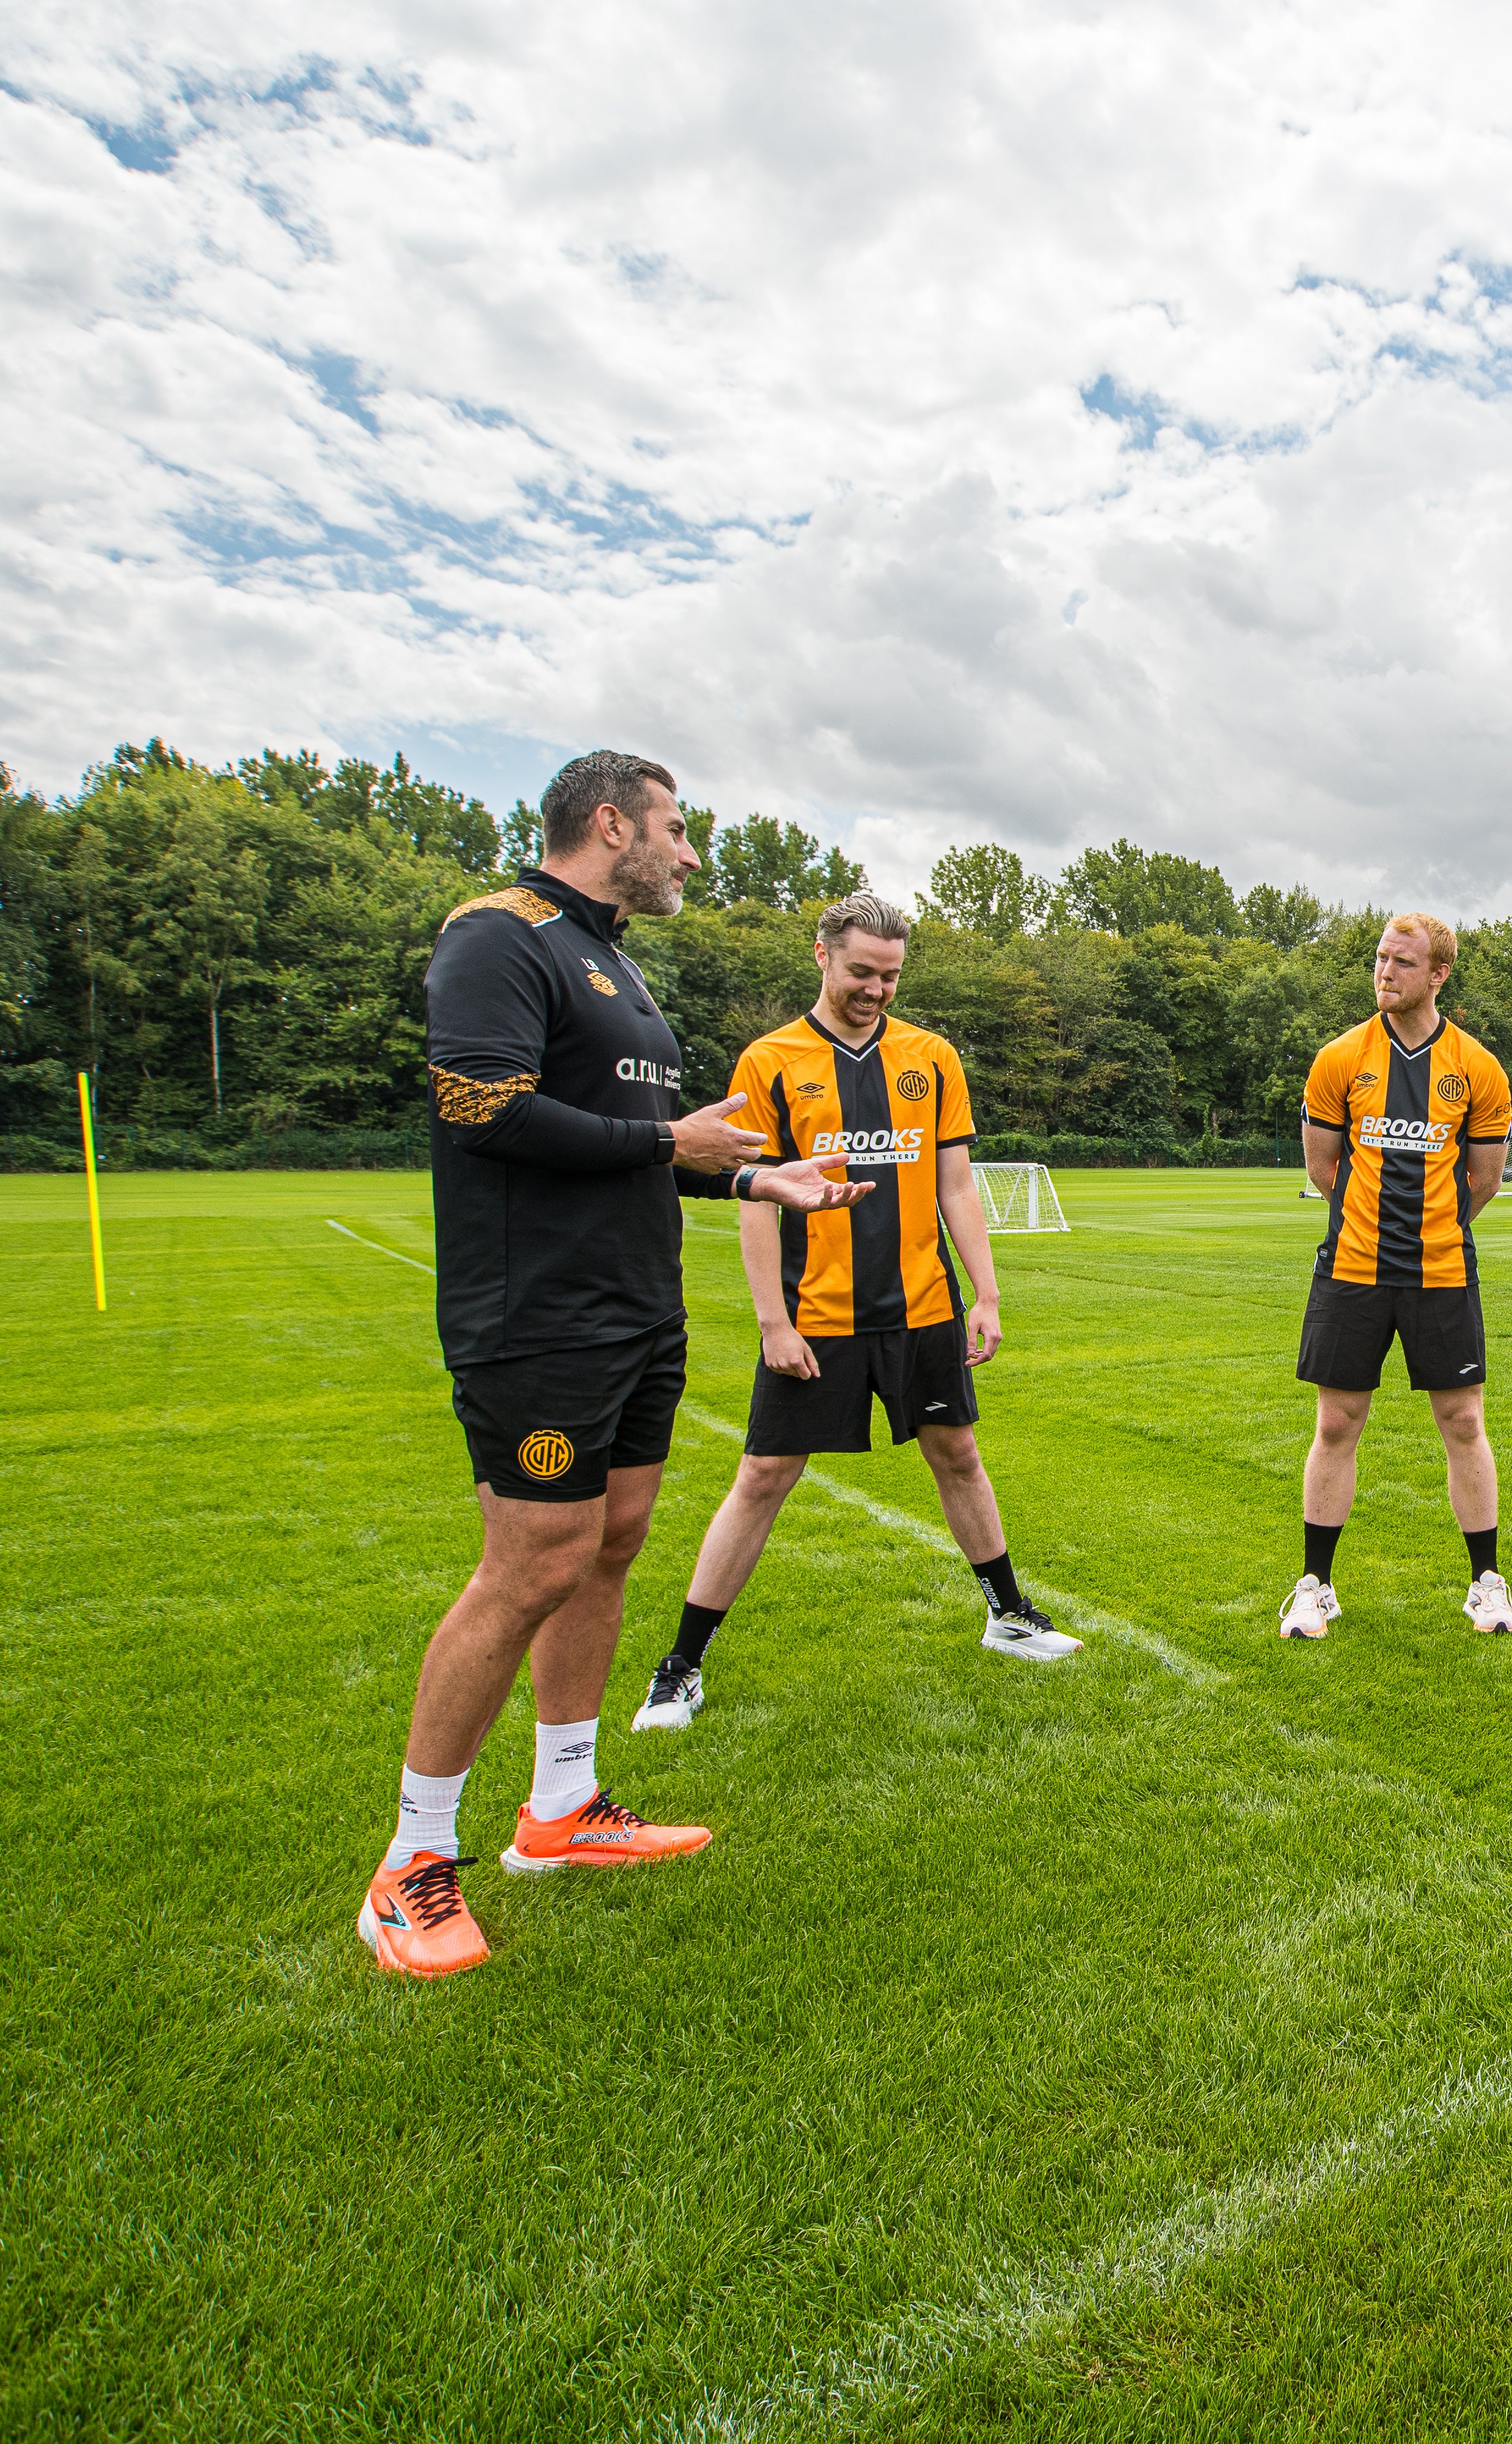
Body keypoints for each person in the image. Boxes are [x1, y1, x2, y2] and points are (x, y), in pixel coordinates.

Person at [356, 750, 867, 1981]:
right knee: (530, 1558)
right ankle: (410, 1863)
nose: (690, 854)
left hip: (637, 1309)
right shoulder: (499, 935)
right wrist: (666, 1137)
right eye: (677, 830)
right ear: (608, 822)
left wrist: (753, 1175)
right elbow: (482, 1106)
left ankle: (562, 1807)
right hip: (538, 1314)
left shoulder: (620, 964)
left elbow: (651, 1150)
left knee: (615, 1537)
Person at [630, 891, 1074, 1735]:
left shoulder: (931, 1057)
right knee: (763, 1477)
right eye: (863, 971)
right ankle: (681, 1668)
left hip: (921, 1310)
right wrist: (772, 1322)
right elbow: (753, 1199)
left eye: (892, 976)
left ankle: (1009, 1615)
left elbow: (953, 1185)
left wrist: (984, 1294)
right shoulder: (770, 1061)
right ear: (822, 956)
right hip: (816, 1316)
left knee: (958, 1454)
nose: (876, 989)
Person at [1279, 914, 1512, 1639]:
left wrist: (1431, 1231)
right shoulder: (1340, 1058)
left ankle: (1486, 1583)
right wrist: (1370, 1224)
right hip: (1352, 1270)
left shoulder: (1478, 1067)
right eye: (1381, 958)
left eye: (1402, 962)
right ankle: (1315, 1584)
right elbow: (1323, 1167)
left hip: (1442, 1273)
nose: (1385, 971)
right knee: (1336, 1421)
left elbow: (1484, 1180)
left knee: (1464, 1421)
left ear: (1438, 974)